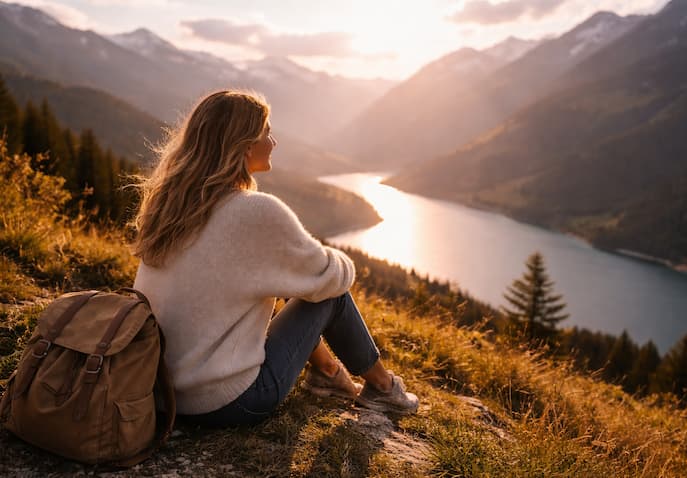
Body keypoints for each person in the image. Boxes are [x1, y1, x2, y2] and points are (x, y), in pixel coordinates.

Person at [131, 90, 418, 427]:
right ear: (244, 143)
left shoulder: (172, 206)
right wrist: (336, 261)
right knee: (330, 295)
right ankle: (384, 388)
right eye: (266, 132)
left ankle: (327, 372)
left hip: (161, 395)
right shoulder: (254, 211)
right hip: (225, 403)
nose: (274, 141)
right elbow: (332, 279)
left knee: (292, 280)